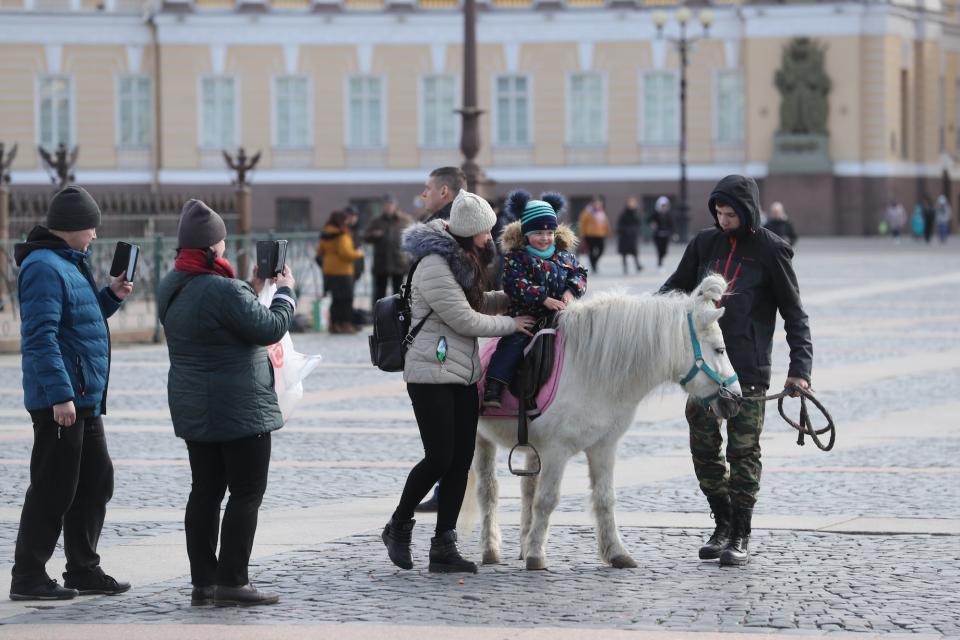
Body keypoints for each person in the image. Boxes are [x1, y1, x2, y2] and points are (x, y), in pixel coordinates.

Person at [660, 175, 813, 567]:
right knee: (704, 448)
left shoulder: (771, 251)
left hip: (748, 372)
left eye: (730, 213)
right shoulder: (703, 244)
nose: (723, 219)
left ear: (747, 212)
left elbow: (795, 315)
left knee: (744, 451)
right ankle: (723, 521)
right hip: (703, 369)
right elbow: (674, 290)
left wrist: (799, 370)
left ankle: (741, 532)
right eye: (718, 212)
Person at [381, 189, 535, 573]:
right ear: (468, 232)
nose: (490, 239)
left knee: (460, 460)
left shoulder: (462, 258)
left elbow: (475, 301)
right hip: (430, 374)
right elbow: (464, 319)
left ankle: (443, 546)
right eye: (485, 233)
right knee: (440, 457)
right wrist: (511, 324)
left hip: (462, 372)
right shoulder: (435, 263)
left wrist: (515, 299)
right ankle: (398, 525)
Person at [157, 199, 296, 607]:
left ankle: (204, 581)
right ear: (213, 248)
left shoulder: (173, 284)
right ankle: (233, 580)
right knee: (246, 492)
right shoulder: (222, 289)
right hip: (240, 409)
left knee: (205, 491)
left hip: (194, 406)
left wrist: (251, 290)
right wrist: (284, 292)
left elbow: (217, 320)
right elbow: (269, 326)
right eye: (221, 241)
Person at [10, 185, 133, 601]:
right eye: (92, 227)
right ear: (74, 228)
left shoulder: (68, 262)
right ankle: (27, 576)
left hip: (83, 398)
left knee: (96, 481)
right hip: (62, 400)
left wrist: (111, 297)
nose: (96, 235)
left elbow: (78, 321)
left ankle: (83, 568)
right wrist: (60, 395)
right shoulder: (44, 266)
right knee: (53, 486)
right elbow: (40, 336)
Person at [483, 190, 587, 408]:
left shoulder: (564, 255)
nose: (545, 237)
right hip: (527, 316)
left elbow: (579, 274)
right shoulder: (517, 258)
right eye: (538, 232)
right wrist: (543, 298)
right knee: (511, 346)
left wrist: (570, 292)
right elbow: (514, 283)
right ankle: (494, 386)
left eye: (549, 232)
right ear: (527, 233)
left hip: (560, 316)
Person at [317, 210, 365, 334]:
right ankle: (345, 324)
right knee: (346, 299)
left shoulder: (326, 234)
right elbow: (346, 254)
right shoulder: (342, 235)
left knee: (336, 300)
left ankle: (334, 324)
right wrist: (359, 253)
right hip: (343, 271)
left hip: (329, 272)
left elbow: (319, 252)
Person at [364, 194, 413, 305]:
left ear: (395, 206)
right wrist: (373, 235)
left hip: (398, 263)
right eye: (386, 205)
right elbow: (366, 238)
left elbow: (413, 236)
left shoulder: (404, 220)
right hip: (382, 263)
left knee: (398, 293)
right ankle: (379, 316)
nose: (388, 207)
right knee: (379, 293)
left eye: (391, 204)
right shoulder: (376, 221)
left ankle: (397, 317)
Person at [578, 195, 609, 274]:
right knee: (591, 251)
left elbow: (605, 223)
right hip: (590, 234)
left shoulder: (601, 212)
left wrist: (607, 232)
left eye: (599, 203)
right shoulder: (587, 212)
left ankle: (594, 262)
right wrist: (582, 233)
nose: (598, 205)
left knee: (601, 250)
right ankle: (593, 265)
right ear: (593, 204)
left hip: (600, 234)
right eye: (596, 203)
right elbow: (582, 223)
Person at [616, 196, 643, 275]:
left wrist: (635, 230)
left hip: (632, 236)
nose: (632, 204)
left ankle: (637, 265)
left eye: (633, 203)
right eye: (630, 203)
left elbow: (638, 223)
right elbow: (620, 224)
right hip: (625, 236)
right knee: (624, 253)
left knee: (634, 251)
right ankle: (625, 267)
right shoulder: (624, 213)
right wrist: (625, 230)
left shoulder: (636, 213)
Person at [648, 195, 674, 273]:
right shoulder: (655, 214)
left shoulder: (668, 214)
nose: (663, 207)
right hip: (657, 235)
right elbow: (648, 220)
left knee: (664, 251)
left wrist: (674, 233)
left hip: (666, 235)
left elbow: (671, 224)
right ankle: (660, 264)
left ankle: (661, 261)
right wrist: (652, 224)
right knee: (659, 250)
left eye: (665, 206)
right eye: (662, 205)